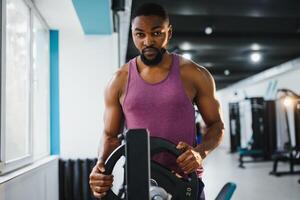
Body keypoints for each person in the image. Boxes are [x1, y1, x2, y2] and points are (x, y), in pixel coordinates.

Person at [89, 3, 224, 200]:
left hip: (184, 182)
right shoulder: (119, 80)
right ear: (133, 35)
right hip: (138, 182)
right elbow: (110, 136)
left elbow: (216, 126)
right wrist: (100, 167)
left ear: (169, 32)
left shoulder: (195, 74)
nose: (148, 41)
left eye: (156, 33)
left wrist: (200, 152)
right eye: (140, 34)